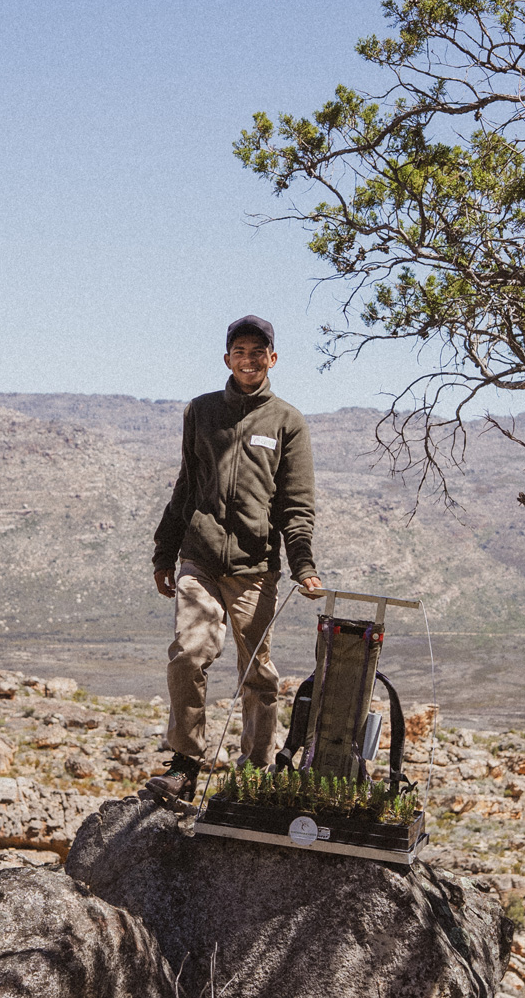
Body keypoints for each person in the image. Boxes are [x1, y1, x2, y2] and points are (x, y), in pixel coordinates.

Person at [144, 315, 322, 803]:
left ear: (273, 358)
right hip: (198, 557)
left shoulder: (287, 422)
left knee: (258, 672)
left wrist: (303, 565)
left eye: (258, 351)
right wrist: (165, 550)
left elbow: (296, 505)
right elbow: (186, 487)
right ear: (227, 358)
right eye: (240, 351)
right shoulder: (201, 412)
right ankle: (184, 765)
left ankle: (256, 771)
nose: (249, 359)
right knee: (188, 654)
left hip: (255, 566)